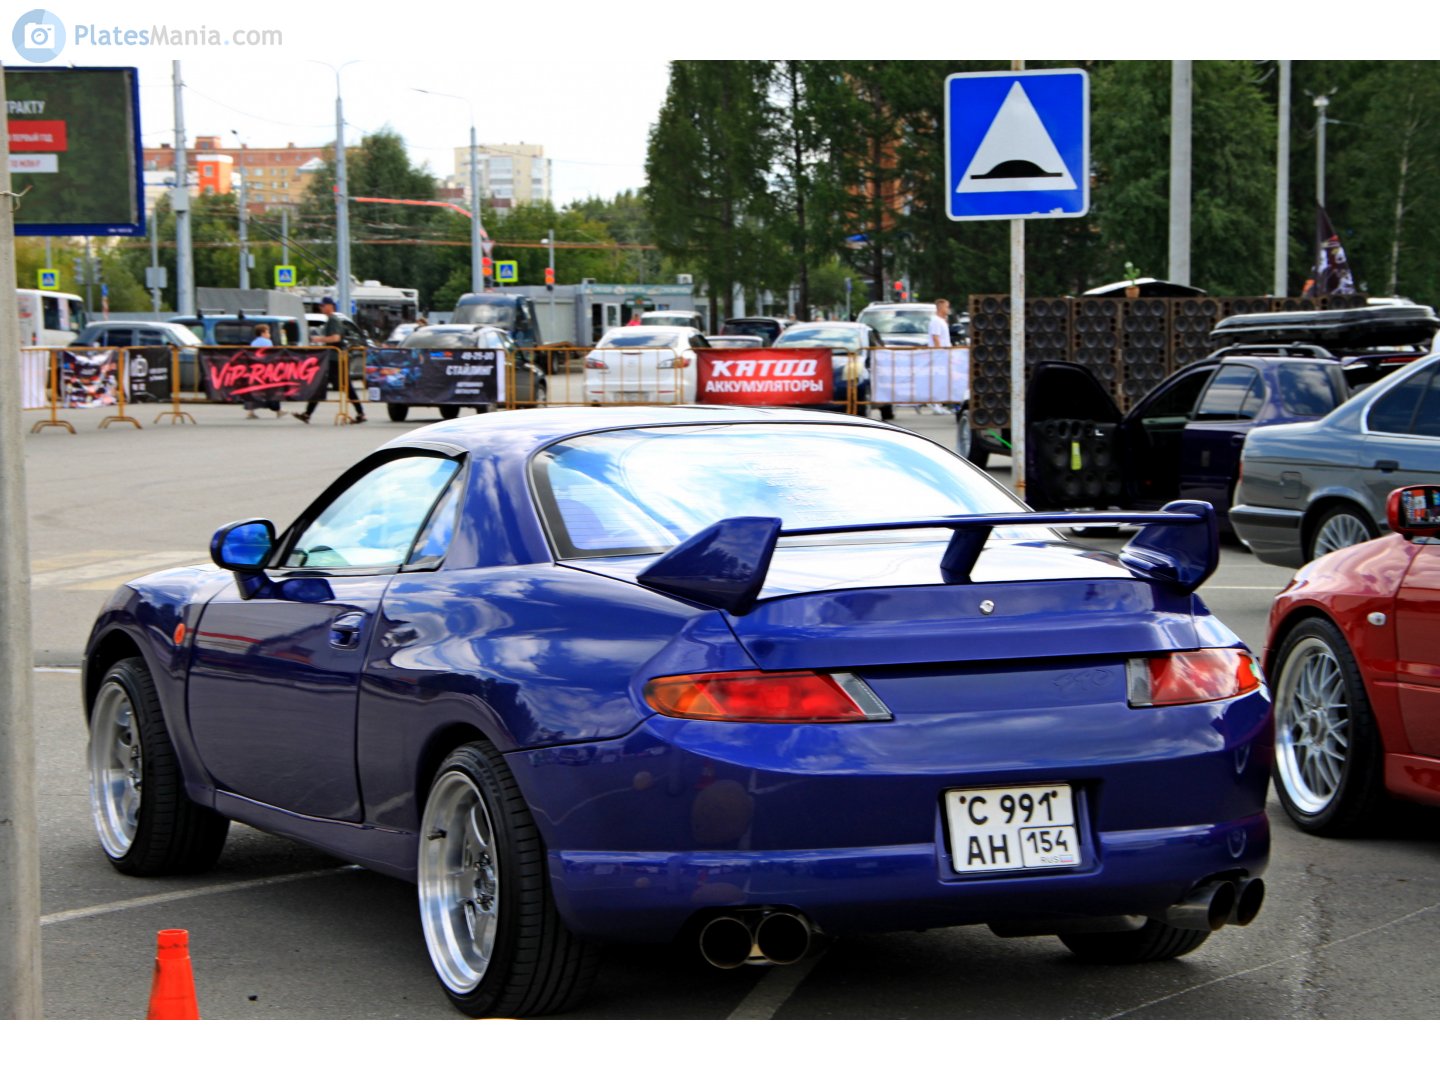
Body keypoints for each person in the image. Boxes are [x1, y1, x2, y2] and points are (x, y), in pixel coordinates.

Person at [294, 297, 367, 424]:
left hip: (335, 359)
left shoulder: (333, 320)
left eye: (323, 306)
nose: (321, 308)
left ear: (330, 306)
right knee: (328, 385)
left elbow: (336, 338)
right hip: (333, 358)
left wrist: (318, 339)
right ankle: (307, 414)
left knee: (343, 386)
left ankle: (361, 413)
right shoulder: (331, 320)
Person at [244, 324, 281, 419]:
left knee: (254, 390)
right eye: (267, 332)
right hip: (266, 369)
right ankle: (278, 410)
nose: (269, 334)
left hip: (255, 369)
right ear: (262, 333)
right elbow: (270, 355)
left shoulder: (253, 342)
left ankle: (251, 411)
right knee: (272, 389)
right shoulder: (267, 342)